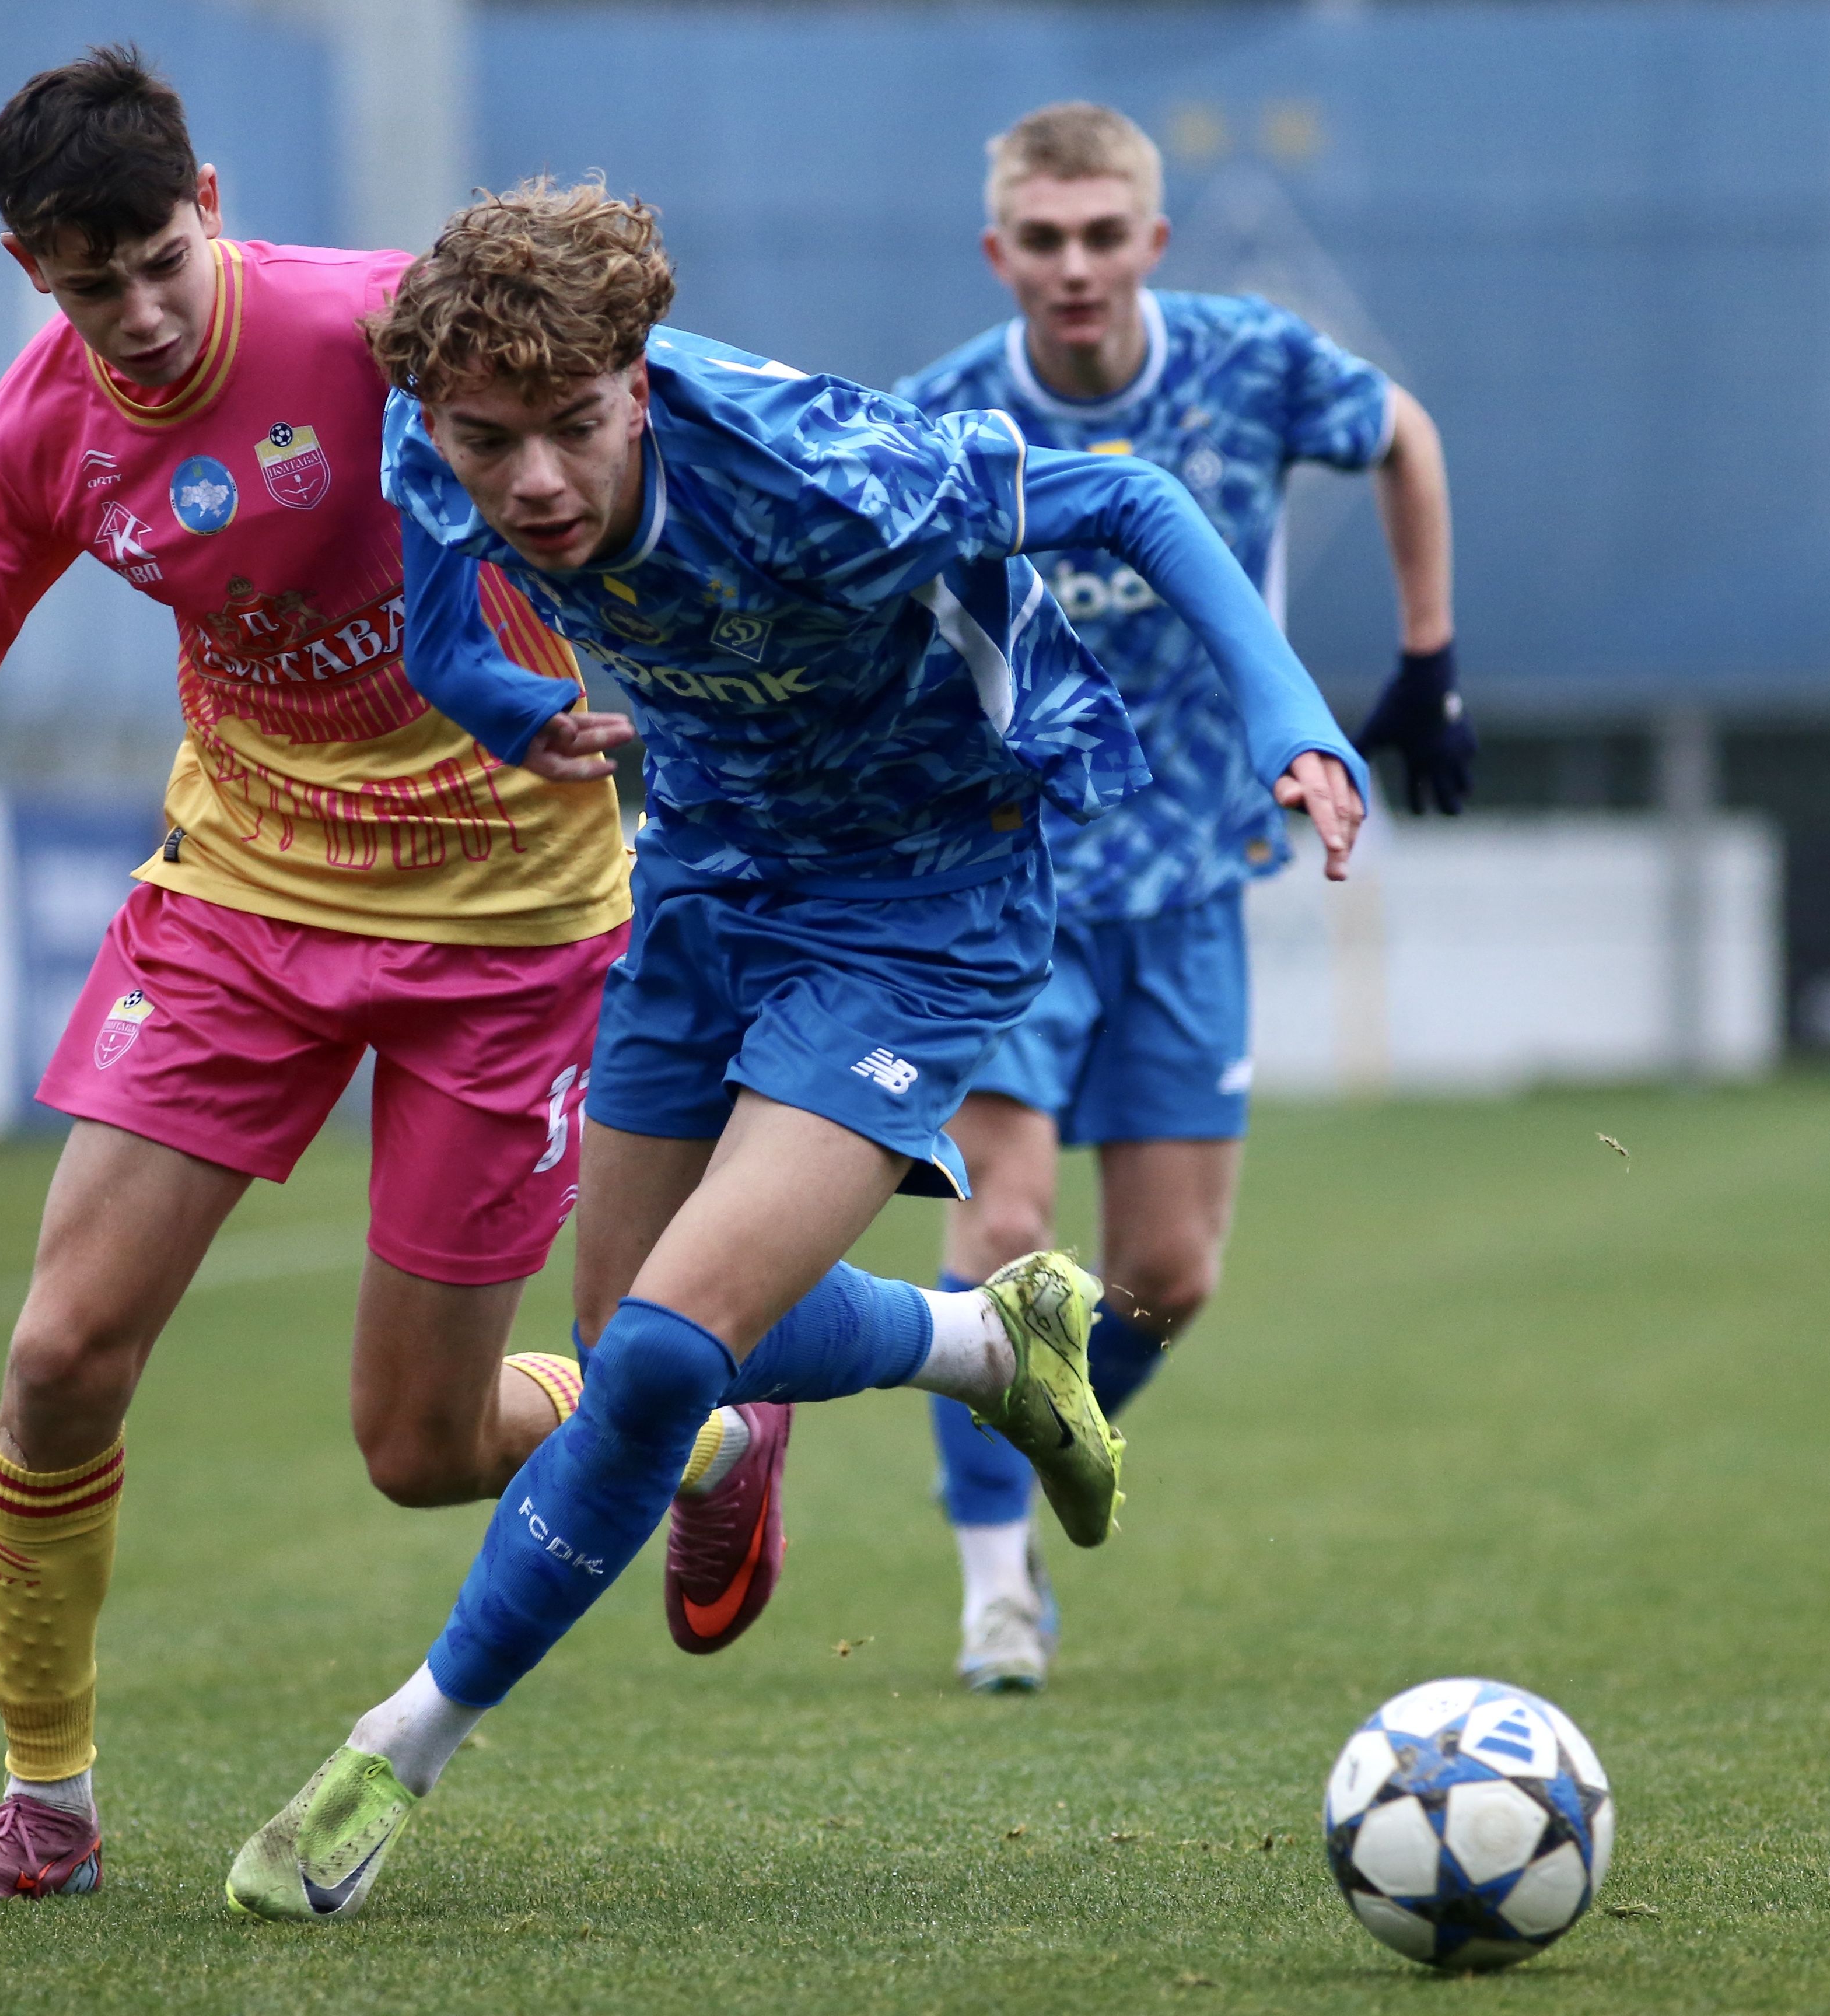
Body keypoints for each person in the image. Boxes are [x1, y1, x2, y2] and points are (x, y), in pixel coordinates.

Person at [218, 176, 1369, 1922]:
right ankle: (989, 1343)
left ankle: (401, 1743)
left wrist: (1296, 721)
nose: (528, 481)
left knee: (672, 1359)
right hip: (699, 878)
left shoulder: (821, 464)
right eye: (488, 440)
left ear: (640, 385)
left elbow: (1131, 503)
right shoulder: (431, 435)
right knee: (625, 1354)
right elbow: (447, 628)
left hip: (921, 899)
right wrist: (522, 711)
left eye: (571, 431)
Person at [0, 48, 771, 1908]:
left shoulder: (378, 325)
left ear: (207, 206)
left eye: (152, 264)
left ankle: (698, 1428)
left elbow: (626, 440)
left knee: (422, 1449)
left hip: (510, 932)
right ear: (31, 267)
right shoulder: (42, 429)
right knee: (57, 1357)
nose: (129, 314)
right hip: (241, 903)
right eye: (80, 281)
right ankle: (45, 1812)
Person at [888, 102, 1470, 1692]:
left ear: (1150, 243)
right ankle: (995, 1584)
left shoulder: (1251, 363)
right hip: (1009, 884)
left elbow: (1404, 432)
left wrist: (1427, 655)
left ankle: (1033, 1431)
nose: (1074, 268)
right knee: (1006, 1220)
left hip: (1199, 878)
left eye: (1103, 237)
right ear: (999, 252)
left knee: (1172, 1274)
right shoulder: (939, 418)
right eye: (1044, 240)